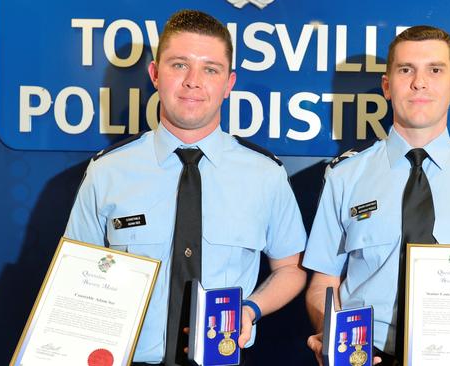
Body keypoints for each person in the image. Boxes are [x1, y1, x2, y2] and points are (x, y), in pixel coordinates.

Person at [64, 9, 307, 365]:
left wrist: (250, 309)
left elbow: (291, 268)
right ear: (155, 74)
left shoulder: (264, 174)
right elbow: (74, 278)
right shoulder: (107, 172)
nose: (193, 81)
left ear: (229, 84)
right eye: (179, 65)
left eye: (210, 69)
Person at [303, 25, 450, 366]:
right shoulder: (344, 175)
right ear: (386, 86)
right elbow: (323, 283)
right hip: (365, 355)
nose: (419, 83)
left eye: (435, 70)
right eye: (406, 69)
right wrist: (336, 340)